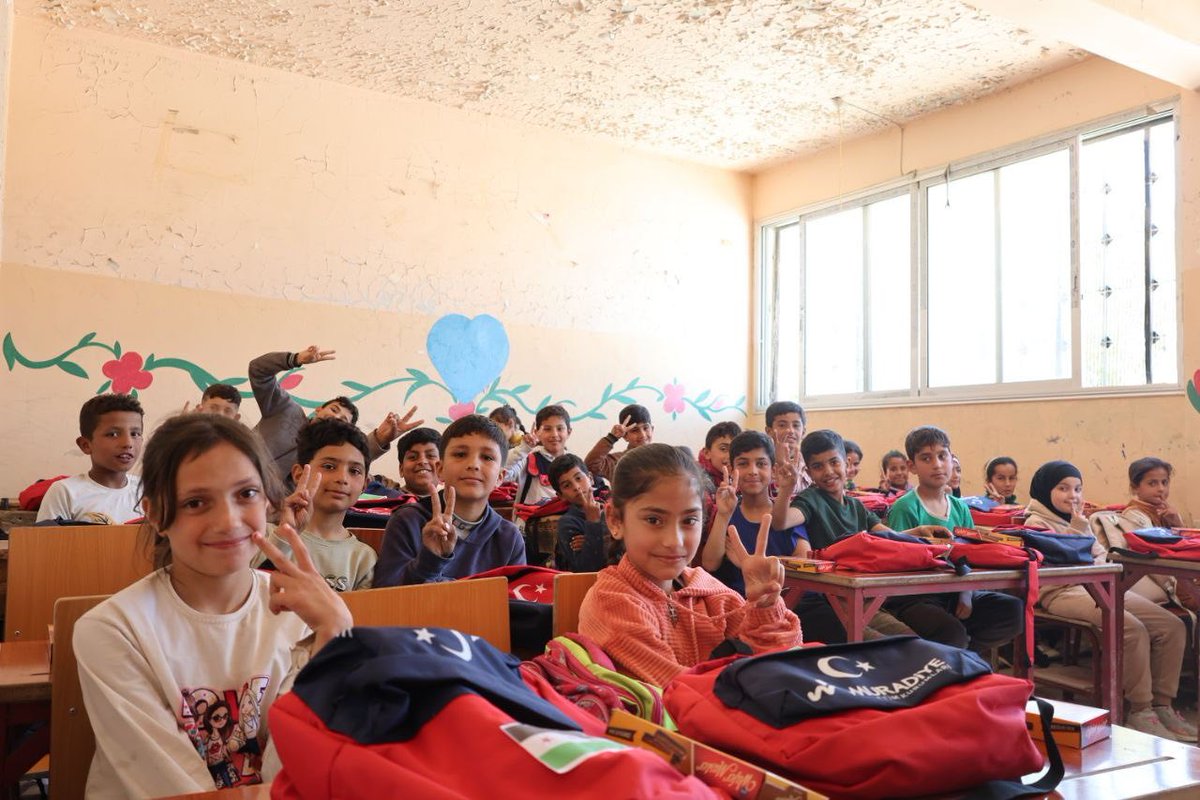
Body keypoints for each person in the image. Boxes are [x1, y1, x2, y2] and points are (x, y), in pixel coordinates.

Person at [73, 413, 352, 798]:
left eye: (246, 494)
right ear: (155, 515)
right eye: (196, 502)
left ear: (269, 500)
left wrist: (333, 638)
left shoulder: (304, 615)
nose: (229, 521)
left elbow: (302, 769)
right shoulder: (113, 629)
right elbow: (174, 789)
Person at [577, 444, 801, 687]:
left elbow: (785, 659)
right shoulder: (613, 602)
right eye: (654, 520)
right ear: (615, 520)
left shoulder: (708, 591)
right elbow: (680, 691)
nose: (674, 541)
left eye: (689, 520)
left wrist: (765, 607)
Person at [1025, 460, 1195, 741]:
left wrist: (1082, 535)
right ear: (1045, 490)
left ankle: (1163, 704)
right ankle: (1140, 710)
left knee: (1171, 626)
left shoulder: (1077, 519)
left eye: (1078, 488)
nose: (1073, 495)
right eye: (1063, 488)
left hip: (1098, 587)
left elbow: (1100, 556)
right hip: (1062, 591)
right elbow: (1062, 564)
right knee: (1130, 628)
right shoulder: (1036, 522)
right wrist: (1078, 532)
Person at [771, 429, 949, 643]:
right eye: (818, 466)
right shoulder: (810, 500)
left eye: (834, 462)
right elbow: (781, 522)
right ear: (808, 471)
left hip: (864, 597)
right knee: (882, 647)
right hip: (832, 601)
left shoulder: (856, 506)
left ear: (846, 463)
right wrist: (785, 490)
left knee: (910, 641)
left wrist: (918, 532)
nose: (828, 472)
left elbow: (887, 536)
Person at [884, 426, 1023, 654]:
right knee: (951, 633)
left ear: (951, 458)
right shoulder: (905, 506)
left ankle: (962, 654)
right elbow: (898, 559)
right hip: (915, 596)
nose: (937, 464)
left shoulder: (960, 507)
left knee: (1011, 611)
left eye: (942, 456)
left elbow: (970, 556)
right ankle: (955, 656)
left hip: (955, 589)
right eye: (926, 458)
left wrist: (966, 594)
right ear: (912, 467)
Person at [374, 415, 525, 585]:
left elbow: (515, 606)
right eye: (460, 454)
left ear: (500, 477)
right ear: (440, 469)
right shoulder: (408, 521)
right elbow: (386, 599)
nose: (473, 464)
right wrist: (429, 560)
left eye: (487, 457)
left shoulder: (510, 538)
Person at [248, 345, 423, 477]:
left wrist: (380, 439)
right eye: (333, 409)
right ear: (318, 409)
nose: (334, 416)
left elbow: (352, 453)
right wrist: (295, 359)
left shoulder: (328, 449)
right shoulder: (286, 410)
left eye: (342, 420)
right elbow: (258, 371)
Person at [252, 419, 376, 591]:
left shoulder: (364, 558)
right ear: (299, 474)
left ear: (365, 484)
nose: (342, 478)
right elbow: (246, 595)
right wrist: (285, 536)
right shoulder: (262, 534)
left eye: (354, 471)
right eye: (329, 466)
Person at [702, 431, 809, 596]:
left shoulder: (786, 515)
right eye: (743, 464)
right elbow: (710, 564)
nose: (752, 471)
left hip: (790, 601)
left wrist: (747, 563)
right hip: (743, 603)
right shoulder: (727, 513)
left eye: (761, 464)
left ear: (773, 470)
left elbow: (805, 562)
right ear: (731, 470)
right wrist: (723, 516)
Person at [37, 393, 144, 524]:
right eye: (113, 434)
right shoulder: (65, 492)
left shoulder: (148, 491)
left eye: (135, 434)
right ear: (86, 445)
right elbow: (45, 543)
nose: (128, 443)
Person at [500, 404, 574, 505]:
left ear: (569, 432)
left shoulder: (574, 464)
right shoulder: (528, 458)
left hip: (564, 520)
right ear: (536, 432)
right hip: (530, 520)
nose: (554, 434)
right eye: (547, 429)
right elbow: (501, 472)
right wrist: (524, 448)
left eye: (560, 429)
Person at [548, 454, 610, 572]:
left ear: (590, 478)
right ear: (560, 495)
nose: (576, 487)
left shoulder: (612, 509)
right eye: (567, 485)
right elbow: (586, 569)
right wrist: (593, 522)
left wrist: (595, 540)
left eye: (578, 478)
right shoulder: (568, 523)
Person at [585, 403, 653, 482]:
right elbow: (590, 465)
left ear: (652, 429)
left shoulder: (662, 457)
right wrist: (612, 438)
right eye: (635, 430)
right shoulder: (618, 462)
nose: (642, 435)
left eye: (645, 428)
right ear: (625, 436)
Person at [1121, 457, 1184, 529]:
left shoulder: (1169, 513)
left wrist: (1177, 524)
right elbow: (1152, 540)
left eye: (1164, 483)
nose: (1161, 489)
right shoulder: (1134, 515)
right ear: (1134, 488)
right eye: (1152, 483)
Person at [764, 401, 809, 494]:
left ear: (803, 432)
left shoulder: (809, 462)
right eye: (782, 425)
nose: (790, 430)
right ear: (769, 431)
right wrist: (780, 464)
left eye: (796, 425)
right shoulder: (761, 462)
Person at [395, 427, 442, 498]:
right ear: (401, 470)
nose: (422, 461)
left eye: (430, 455)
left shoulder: (451, 503)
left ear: (442, 469)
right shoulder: (385, 494)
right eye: (413, 457)